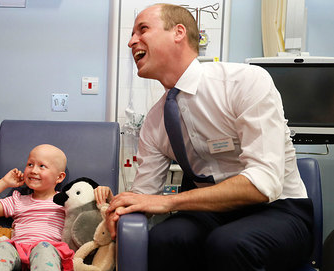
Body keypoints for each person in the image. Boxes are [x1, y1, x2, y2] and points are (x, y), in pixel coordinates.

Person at [106, 3, 313, 271]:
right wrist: (121, 209)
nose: (131, 41)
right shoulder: (155, 122)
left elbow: (264, 183)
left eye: (142, 29)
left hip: (279, 209)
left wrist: (168, 202)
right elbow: (145, 195)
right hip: (211, 214)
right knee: (164, 239)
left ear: (178, 32)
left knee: (229, 244)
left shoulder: (245, 83)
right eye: (132, 34)